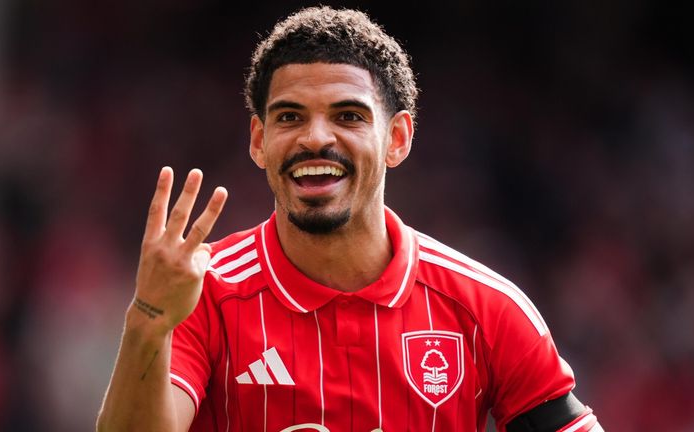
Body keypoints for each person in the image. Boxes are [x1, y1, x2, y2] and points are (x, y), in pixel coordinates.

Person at [97, 6, 603, 432]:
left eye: (348, 116)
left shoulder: (486, 309)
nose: (315, 138)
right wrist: (150, 320)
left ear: (397, 139)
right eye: (290, 116)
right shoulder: (203, 292)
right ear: (258, 140)